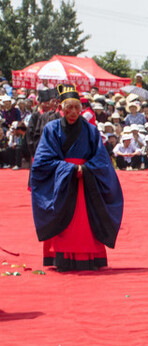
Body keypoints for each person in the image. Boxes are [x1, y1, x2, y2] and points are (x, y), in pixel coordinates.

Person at [28, 84, 124, 271]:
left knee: (84, 223)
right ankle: (62, 257)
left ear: (81, 109)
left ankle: (87, 256)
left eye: (76, 108)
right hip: (62, 183)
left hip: (85, 182)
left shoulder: (90, 130)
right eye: (69, 108)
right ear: (61, 108)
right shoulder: (51, 129)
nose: (73, 112)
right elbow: (42, 161)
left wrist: (85, 169)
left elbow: (101, 159)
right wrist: (69, 169)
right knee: (65, 221)